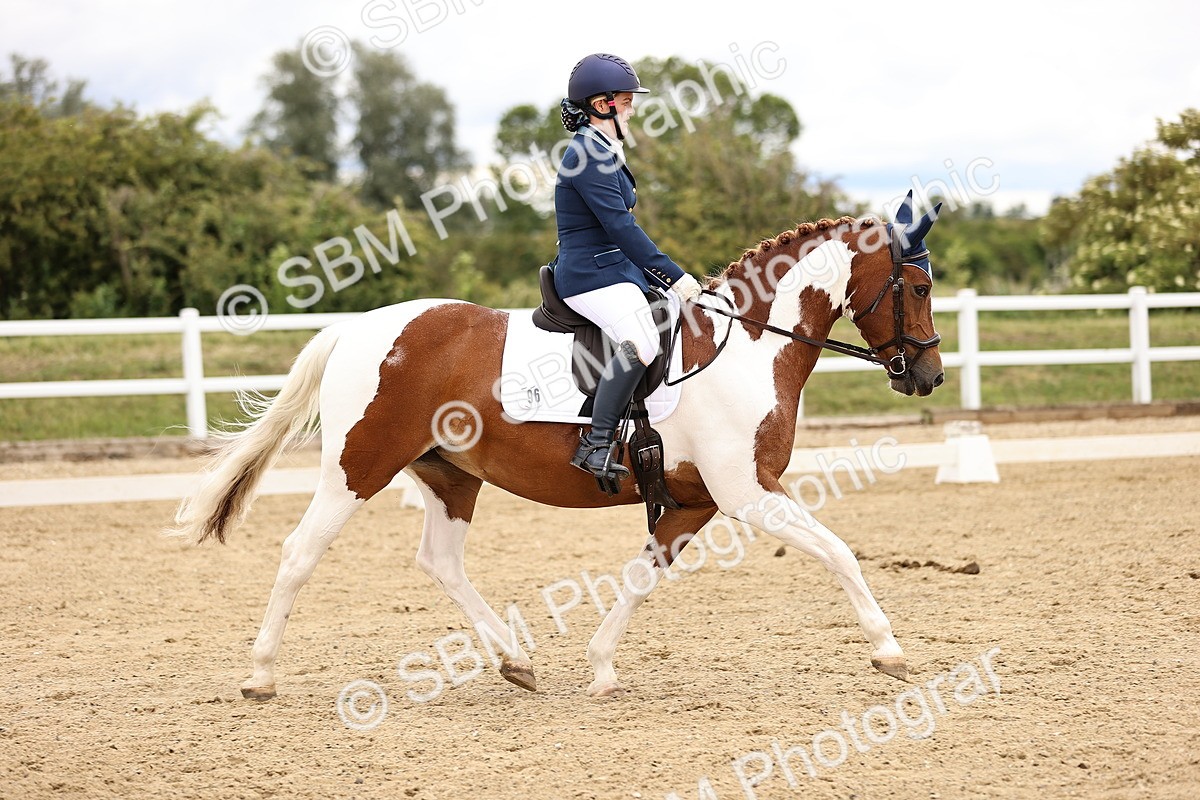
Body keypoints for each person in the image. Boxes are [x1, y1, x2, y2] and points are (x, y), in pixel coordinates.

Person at [553, 53, 703, 488]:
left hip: (612, 269)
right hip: (588, 276)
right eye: (627, 100)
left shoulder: (603, 149)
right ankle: (596, 445)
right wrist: (673, 275)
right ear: (603, 105)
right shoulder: (585, 155)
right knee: (641, 341)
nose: (633, 108)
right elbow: (620, 225)